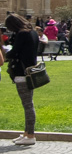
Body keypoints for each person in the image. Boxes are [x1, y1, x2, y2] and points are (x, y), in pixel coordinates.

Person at [6, 13, 40, 146]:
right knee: (28, 103)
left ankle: (30, 134)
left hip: (22, 73)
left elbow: (15, 52)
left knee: (28, 105)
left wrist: (5, 53)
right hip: (29, 71)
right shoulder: (32, 33)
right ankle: (27, 133)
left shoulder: (22, 34)